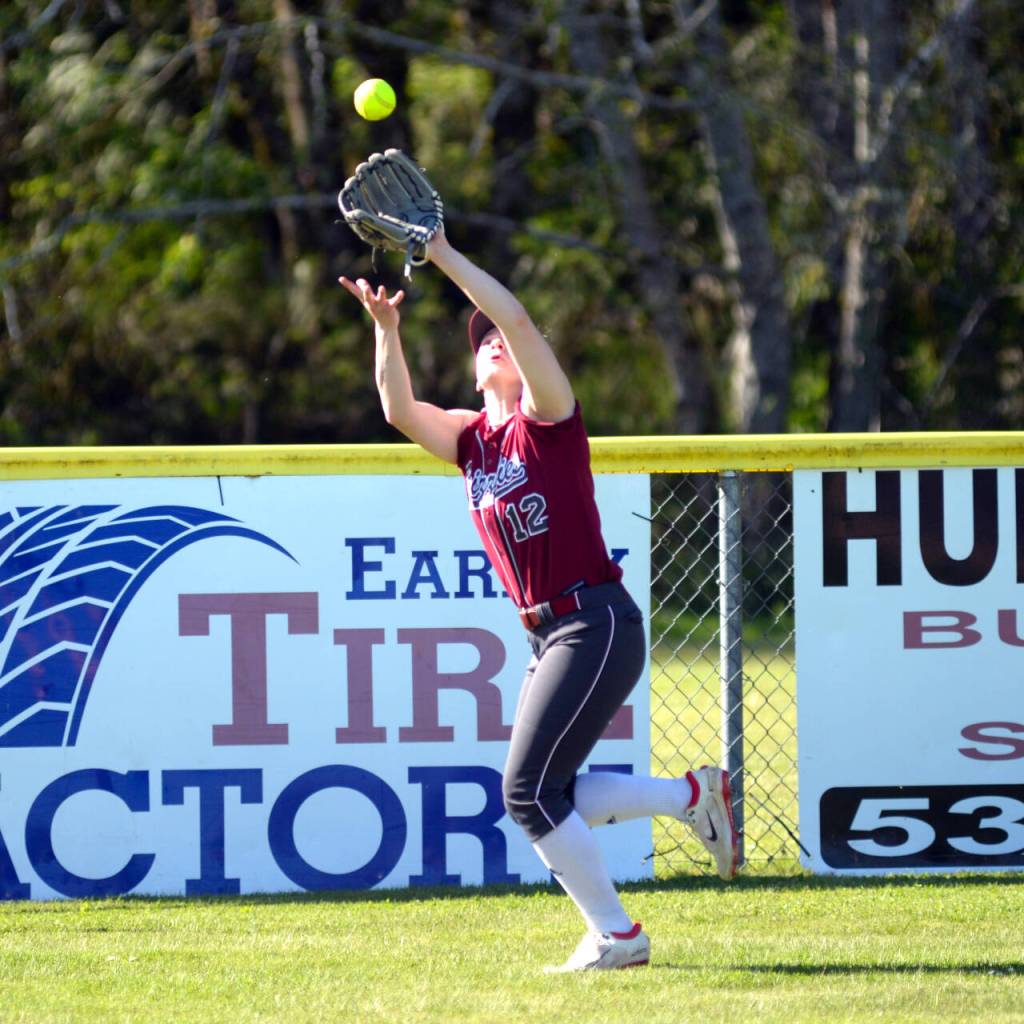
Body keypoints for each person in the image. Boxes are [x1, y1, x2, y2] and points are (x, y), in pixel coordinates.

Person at [339, 228, 738, 972]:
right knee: (547, 790)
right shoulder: (472, 442)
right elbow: (397, 409)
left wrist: (442, 255)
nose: (493, 342)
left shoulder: (548, 421)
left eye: (503, 339)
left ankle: (619, 936)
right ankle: (689, 795)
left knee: (525, 794)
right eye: (480, 341)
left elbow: (516, 320)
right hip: (552, 635)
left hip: (593, 621)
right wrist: (387, 332)